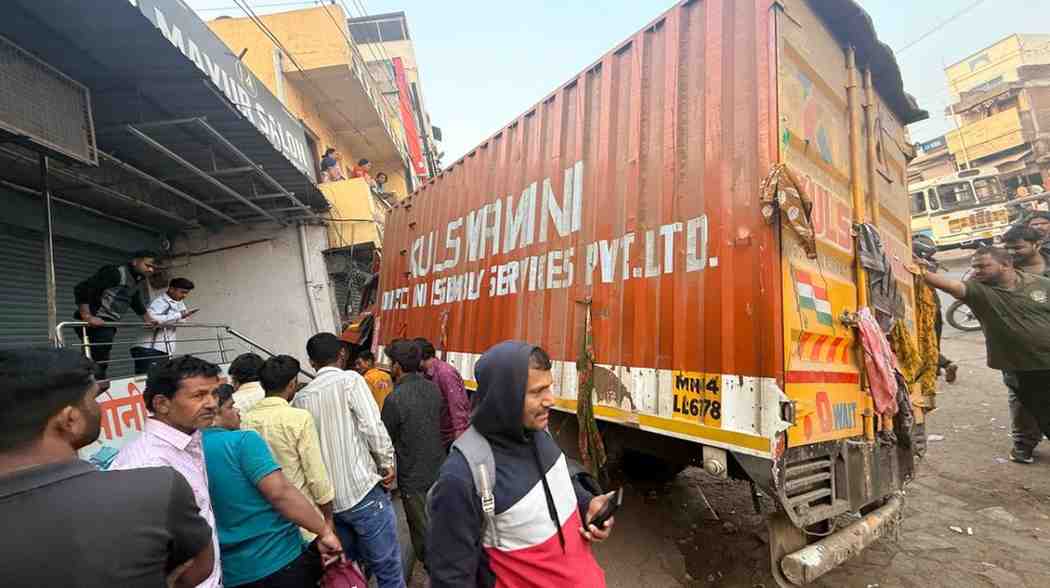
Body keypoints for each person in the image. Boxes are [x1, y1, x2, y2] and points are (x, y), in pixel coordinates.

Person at [0, 348, 214, 588]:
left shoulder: (187, 448)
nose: (211, 403)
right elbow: (199, 566)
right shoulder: (152, 482)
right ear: (70, 419)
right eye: (94, 399)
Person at [426, 341, 614, 587]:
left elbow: (556, 482)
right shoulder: (462, 475)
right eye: (537, 392)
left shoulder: (538, 433)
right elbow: (451, 578)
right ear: (504, 397)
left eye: (550, 387)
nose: (551, 400)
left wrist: (587, 504)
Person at [920, 246, 1050, 461]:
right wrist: (921, 271)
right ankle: (1023, 445)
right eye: (974, 266)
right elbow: (952, 286)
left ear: (1006, 264)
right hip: (1023, 367)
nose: (977, 270)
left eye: (983, 266)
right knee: (1040, 412)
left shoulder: (1041, 284)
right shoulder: (979, 291)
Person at [294, 333, 403, 587]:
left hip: (329, 506)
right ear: (342, 354)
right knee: (387, 568)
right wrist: (387, 463)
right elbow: (372, 426)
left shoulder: (301, 398)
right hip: (362, 492)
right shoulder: (350, 380)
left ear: (311, 362)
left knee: (350, 574)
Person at [110, 355, 224, 588]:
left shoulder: (190, 437)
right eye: (199, 395)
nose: (213, 403)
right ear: (162, 404)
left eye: (214, 393)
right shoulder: (147, 464)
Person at [202, 406, 343, 587]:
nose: (237, 410)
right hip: (279, 558)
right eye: (229, 406)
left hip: (232, 573)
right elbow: (280, 493)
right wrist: (324, 531)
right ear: (215, 413)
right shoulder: (242, 441)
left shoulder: (188, 453)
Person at [243, 355, 335, 540]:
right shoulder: (298, 418)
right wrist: (328, 518)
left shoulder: (245, 420)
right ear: (292, 384)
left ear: (262, 385)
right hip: (304, 521)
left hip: (267, 523)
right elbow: (316, 477)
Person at [380, 340, 445, 569]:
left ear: (397, 366)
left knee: (422, 531)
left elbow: (385, 438)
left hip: (412, 478)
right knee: (440, 525)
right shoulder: (433, 388)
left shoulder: (394, 399)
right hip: (439, 469)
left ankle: (436, 576)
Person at [999, 226, 1049, 463]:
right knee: (1021, 396)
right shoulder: (1000, 270)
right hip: (1017, 347)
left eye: (1017, 247)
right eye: (1008, 247)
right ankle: (1023, 444)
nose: (1012, 252)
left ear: (1036, 245)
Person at [73, 250, 158, 378]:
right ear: (135, 261)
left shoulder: (137, 279)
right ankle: (87, 386)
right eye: (148, 265)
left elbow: (134, 299)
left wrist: (148, 319)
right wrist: (88, 316)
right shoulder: (115, 272)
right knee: (97, 362)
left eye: (153, 267)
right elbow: (82, 288)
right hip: (96, 321)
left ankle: (87, 386)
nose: (151, 270)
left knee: (97, 359)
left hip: (107, 322)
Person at [131, 277, 199, 375]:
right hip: (148, 348)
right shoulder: (159, 302)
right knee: (146, 380)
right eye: (182, 292)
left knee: (160, 380)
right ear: (171, 289)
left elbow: (182, 321)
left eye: (186, 293)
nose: (184, 296)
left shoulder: (179, 302)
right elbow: (151, 320)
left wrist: (180, 316)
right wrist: (179, 315)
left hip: (164, 349)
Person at [415, 337, 471, 449]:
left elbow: (457, 408)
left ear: (420, 359)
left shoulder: (445, 374)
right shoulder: (425, 374)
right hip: (439, 436)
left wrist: (459, 443)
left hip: (449, 439)